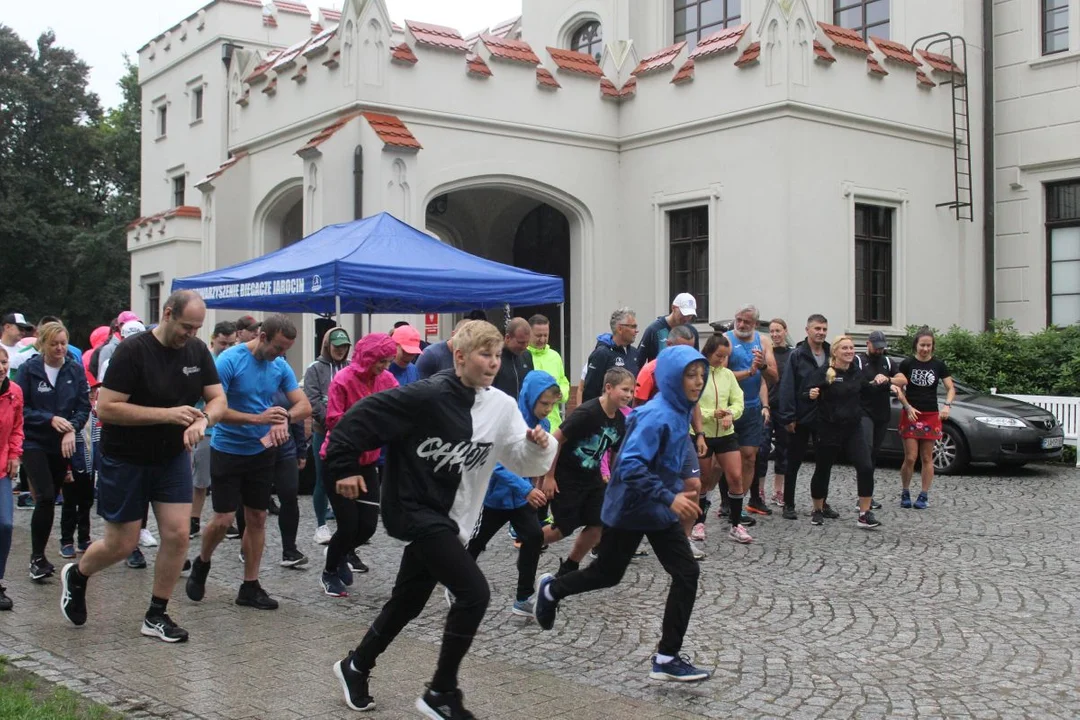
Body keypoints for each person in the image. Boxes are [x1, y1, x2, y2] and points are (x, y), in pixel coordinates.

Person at [327, 320, 556, 718]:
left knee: (408, 601)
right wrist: (344, 466)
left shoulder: (501, 406)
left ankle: (356, 665)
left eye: (498, 355)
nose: (492, 363)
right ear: (460, 356)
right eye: (484, 354)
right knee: (474, 593)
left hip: (454, 520)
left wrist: (539, 445)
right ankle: (441, 692)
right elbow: (360, 418)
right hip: (414, 511)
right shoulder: (425, 397)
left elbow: (520, 459)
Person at [534, 345, 711, 684]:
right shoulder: (656, 415)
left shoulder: (681, 410)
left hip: (656, 509)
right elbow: (629, 466)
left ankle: (666, 657)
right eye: (690, 375)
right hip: (631, 507)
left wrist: (671, 495)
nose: (698, 382)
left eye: (701, 375)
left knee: (686, 573)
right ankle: (552, 590)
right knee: (607, 574)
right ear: (672, 378)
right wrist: (670, 498)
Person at [59, 291, 226, 643]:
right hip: (125, 458)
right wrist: (166, 415)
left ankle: (156, 614)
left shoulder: (196, 351)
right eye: (186, 326)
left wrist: (203, 421)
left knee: (178, 534)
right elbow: (106, 408)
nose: (191, 335)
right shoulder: (132, 352)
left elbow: (217, 397)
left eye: (197, 328)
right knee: (122, 544)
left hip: (171, 457)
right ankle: (79, 573)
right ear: (167, 314)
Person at [185, 314, 311, 611]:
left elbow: (304, 404)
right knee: (224, 519)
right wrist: (259, 419)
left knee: (257, 517)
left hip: (262, 452)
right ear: (263, 336)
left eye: (286, 350)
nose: (281, 355)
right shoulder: (230, 360)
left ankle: (250, 586)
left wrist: (284, 418)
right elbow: (215, 409)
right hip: (228, 449)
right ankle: (203, 562)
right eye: (278, 347)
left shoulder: (278, 365)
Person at [466, 370, 559, 616]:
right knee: (475, 542)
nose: (548, 409)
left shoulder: (545, 425)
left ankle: (523, 597)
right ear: (530, 398)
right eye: (544, 403)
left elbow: (538, 460)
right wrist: (527, 488)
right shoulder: (508, 420)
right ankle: (457, 582)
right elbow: (496, 464)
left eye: (552, 404)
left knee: (534, 537)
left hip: (520, 499)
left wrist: (537, 485)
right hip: (493, 498)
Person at [318, 333, 398, 598]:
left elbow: (400, 406)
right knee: (349, 523)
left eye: (388, 362)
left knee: (368, 526)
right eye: (381, 362)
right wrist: (368, 423)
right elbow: (332, 420)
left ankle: (339, 551)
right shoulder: (343, 380)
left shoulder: (387, 380)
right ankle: (330, 570)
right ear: (368, 358)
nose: (384, 367)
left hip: (369, 460)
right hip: (339, 459)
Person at [15, 322, 91, 582]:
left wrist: (72, 429)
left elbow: (84, 407)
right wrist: (49, 419)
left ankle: (44, 554)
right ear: (42, 344)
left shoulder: (75, 369)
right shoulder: (29, 370)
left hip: (63, 442)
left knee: (57, 495)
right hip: (34, 440)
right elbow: (21, 409)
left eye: (63, 343)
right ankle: (37, 558)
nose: (59, 348)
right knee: (46, 495)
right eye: (54, 343)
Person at [541, 367, 634, 577]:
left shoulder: (620, 420)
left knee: (598, 524)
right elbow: (555, 441)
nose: (629, 395)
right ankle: (531, 542)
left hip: (592, 479)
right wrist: (549, 476)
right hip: (566, 478)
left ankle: (569, 567)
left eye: (631, 391)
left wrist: (615, 481)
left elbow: (615, 454)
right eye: (625, 390)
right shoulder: (587, 413)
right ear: (608, 388)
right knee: (562, 529)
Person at [805, 336, 884, 528]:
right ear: (835, 352)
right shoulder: (825, 372)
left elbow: (866, 389)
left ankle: (864, 514)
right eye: (845, 348)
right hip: (829, 427)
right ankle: (817, 509)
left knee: (865, 466)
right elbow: (806, 391)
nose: (849, 351)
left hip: (853, 427)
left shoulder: (856, 372)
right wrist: (811, 394)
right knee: (823, 469)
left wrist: (881, 382)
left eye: (851, 348)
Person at [722, 305, 777, 529]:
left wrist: (762, 365)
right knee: (719, 462)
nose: (741, 325)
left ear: (755, 324)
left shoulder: (763, 342)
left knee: (749, 457)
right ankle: (721, 502)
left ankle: (739, 504)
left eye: (746, 322)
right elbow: (720, 375)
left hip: (752, 407)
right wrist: (749, 372)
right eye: (738, 320)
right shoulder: (725, 340)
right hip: (727, 408)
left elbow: (773, 376)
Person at [692, 333, 749, 543]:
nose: (722, 360)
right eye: (718, 355)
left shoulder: (728, 375)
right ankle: (698, 522)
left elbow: (738, 402)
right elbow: (693, 403)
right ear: (708, 351)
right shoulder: (698, 373)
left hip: (726, 434)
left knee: (735, 477)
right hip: (702, 434)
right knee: (703, 480)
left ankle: (736, 524)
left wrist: (730, 414)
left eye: (725, 356)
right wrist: (710, 414)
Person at [777, 314, 830, 521]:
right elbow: (788, 387)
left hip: (824, 417)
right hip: (800, 417)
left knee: (824, 462)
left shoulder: (830, 353)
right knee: (794, 462)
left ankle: (821, 502)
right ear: (807, 330)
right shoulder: (797, 355)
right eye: (817, 328)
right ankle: (788, 504)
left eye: (824, 329)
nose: (821, 332)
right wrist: (789, 417)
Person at [896, 328, 955, 510]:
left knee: (927, 457)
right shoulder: (907, 364)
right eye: (922, 345)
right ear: (916, 345)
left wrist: (947, 405)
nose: (925, 349)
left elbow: (950, 388)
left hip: (931, 414)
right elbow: (898, 388)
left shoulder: (939, 365)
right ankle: (905, 490)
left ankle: (924, 494)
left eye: (928, 345)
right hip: (911, 413)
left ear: (932, 346)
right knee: (911, 457)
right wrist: (907, 405)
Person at [303, 326, 351, 545]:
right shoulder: (314, 368)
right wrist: (330, 421)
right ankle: (321, 525)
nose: (340, 350)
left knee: (346, 478)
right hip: (323, 431)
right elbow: (312, 400)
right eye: (336, 346)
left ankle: (347, 525)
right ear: (327, 346)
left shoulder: (350, 368)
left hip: (347, 433)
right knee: (322, 479)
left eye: (344, 346)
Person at [191, 321, 238, 539]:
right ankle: (193, 519)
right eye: (223, 343)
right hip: (204, 426)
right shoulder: (206, 359)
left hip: (223, 429)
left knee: (214, 478)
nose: (226, 348)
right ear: (213, 339)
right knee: (198, 479)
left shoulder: (234, 360)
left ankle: (223, 519)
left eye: (231, 343)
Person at [855, 330, 898, 511]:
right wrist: (871, 382)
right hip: (864, 412)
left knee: (873, 456)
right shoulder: (858, 361)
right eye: (876, 347)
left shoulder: (888, 362)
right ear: (868, 344)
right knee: (866, 451)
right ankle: (862, 497)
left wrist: (887, 379)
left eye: (882, 348)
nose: (879, 351)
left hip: (882, 413)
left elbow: (903, 379)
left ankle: (868, 495)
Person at [755, 318, 790, 511]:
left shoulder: (791, 354)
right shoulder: (766, 354)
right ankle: (760, 490)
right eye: (772, 331)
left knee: (783, 450)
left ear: (785, 331)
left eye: (778, 331)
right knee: (762, 449)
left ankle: (779, 490)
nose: (775, 335)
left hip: (784, 409)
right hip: (766, 406)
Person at [0, 346, 24, 609]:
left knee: (4, 525)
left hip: (2, 470)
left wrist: (15, 454)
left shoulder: (14, 392)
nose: (1, 367)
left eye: (4, 362)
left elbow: (17, 427)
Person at [581, 308, 640, 403]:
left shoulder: (635, 353)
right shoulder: (602, 353)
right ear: (620, 329)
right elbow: (589, 391)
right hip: (605, 415)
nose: (636, 331)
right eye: (633, 327)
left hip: (628, 415)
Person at [526, 314, 570, 431]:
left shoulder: (555, 356)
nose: (542, 339)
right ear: (529, 333)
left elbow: (563, 382)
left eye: (546, 335)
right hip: (531, 425)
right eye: (538, 335)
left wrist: (561, 393)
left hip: (554, 424)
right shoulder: (523, 356)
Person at [634, 325, 696, 406]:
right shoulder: (650, 371)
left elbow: (694, 405)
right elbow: (637, 408)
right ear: (669, 344)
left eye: (690, 350)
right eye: (681, 350)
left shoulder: (693, 371)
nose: (686, 355)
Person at [637, 293, 700, 365]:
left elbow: (696, 360)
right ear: (673, 308)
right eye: (683, 314)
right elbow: (639, 361)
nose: (686, 318)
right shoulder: (653, 330)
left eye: (690, 315)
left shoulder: (692, 332)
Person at [492, 317, 534, 399]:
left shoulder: (527, 356)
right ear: (507, 338)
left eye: (527, 342)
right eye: (521, 342)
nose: (525, 346)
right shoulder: (494, 358)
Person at [1, 312, 34, 377]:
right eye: (20, 329)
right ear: (7, 327)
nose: (23, 332)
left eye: (25, 330)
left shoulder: (25, 351)